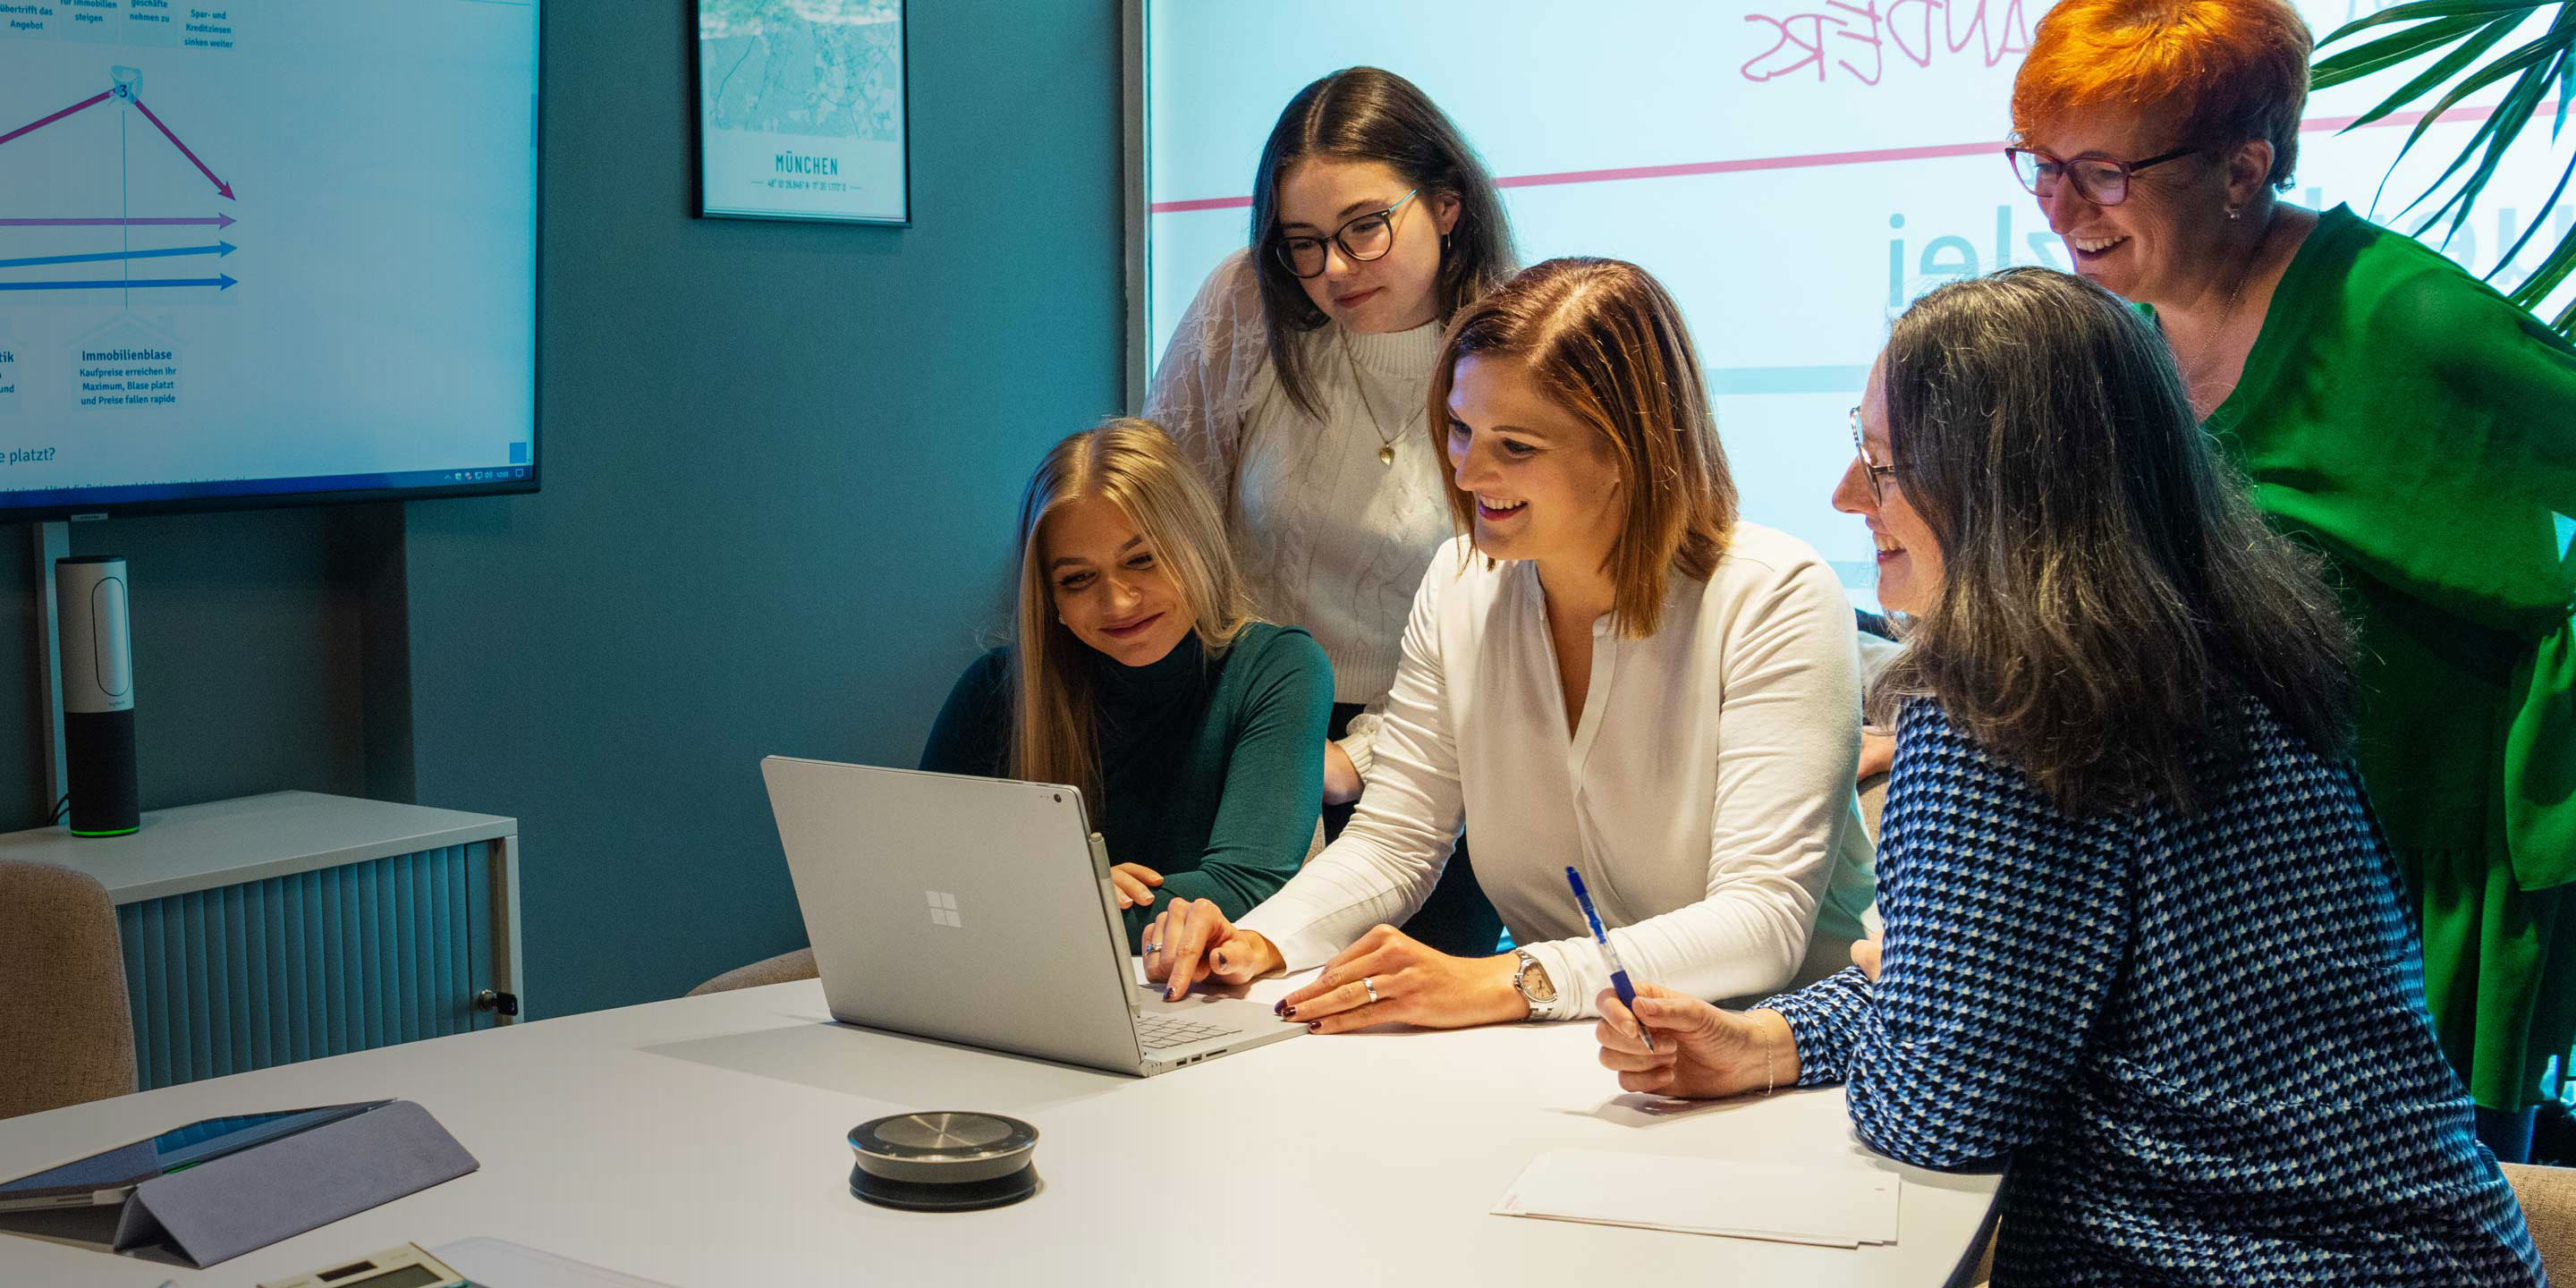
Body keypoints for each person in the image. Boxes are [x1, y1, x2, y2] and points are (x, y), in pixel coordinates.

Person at [1596, 269, 2544, 1284]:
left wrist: (1904, 988)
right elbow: (2014, 1012)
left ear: (2000, 489)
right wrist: (1774, 1040)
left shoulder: (2003, 708)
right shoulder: (2242, 654)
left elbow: (1940, 1107)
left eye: (1883, 465)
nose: (1847, 497)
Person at [2006, 0, 2576, 1160]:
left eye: (2103, 174)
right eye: (2044, 166)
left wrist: (2532, 781)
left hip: (2414, 920)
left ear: (2243, 168)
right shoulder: (2131, 334)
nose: (2060, 210)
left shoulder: (2412, 324)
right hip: (2240, 927)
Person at [1144, 258, 1877, 1030]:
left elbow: (1762, 924)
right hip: (1573, 1058)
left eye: (1516, 446)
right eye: (1461, 429)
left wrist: (1504, 980)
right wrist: (1261, 938)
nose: (1467, 471)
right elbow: (1395, 842)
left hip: (1788, 1067)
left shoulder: (1777, 594)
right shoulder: (1461, 582)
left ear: (1630, 450)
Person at [1146, 66, 1517, 955]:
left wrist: (1359, 761)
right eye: (1301, 243)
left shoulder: (1516, 338)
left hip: (1445, 764)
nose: (1332, 270)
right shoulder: (1246, 303)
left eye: (1364, 229)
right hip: (1245, 743)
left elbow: (1522, 627)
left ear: (1448, 204)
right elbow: (1163, 525)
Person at [919, 419, 1332, 953]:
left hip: (1189, 997)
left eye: (1142, 560)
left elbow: (1243, 887)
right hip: (1011, 984)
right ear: (1051, 600)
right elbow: (919, 888)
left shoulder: (1278, 668)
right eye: (1077, 579)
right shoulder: (995, 689)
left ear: (1197, 548)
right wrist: (1072, 897)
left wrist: (1054, 901)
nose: (1117, 602)